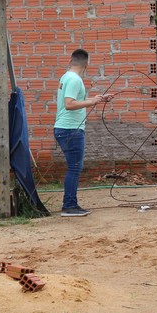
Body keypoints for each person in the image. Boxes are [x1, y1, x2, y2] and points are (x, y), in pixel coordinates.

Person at [53, 49, 112, 217]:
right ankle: (69, 206)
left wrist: (96, 99)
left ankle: (71, 204)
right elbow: (69, 104)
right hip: (70, 129)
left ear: (71, 61)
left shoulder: (66, 77)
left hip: (66, 129)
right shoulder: (75, 79)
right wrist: (92, 102)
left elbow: (74, 101)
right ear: (86, 64)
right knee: (74, 168)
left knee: (74, 167)